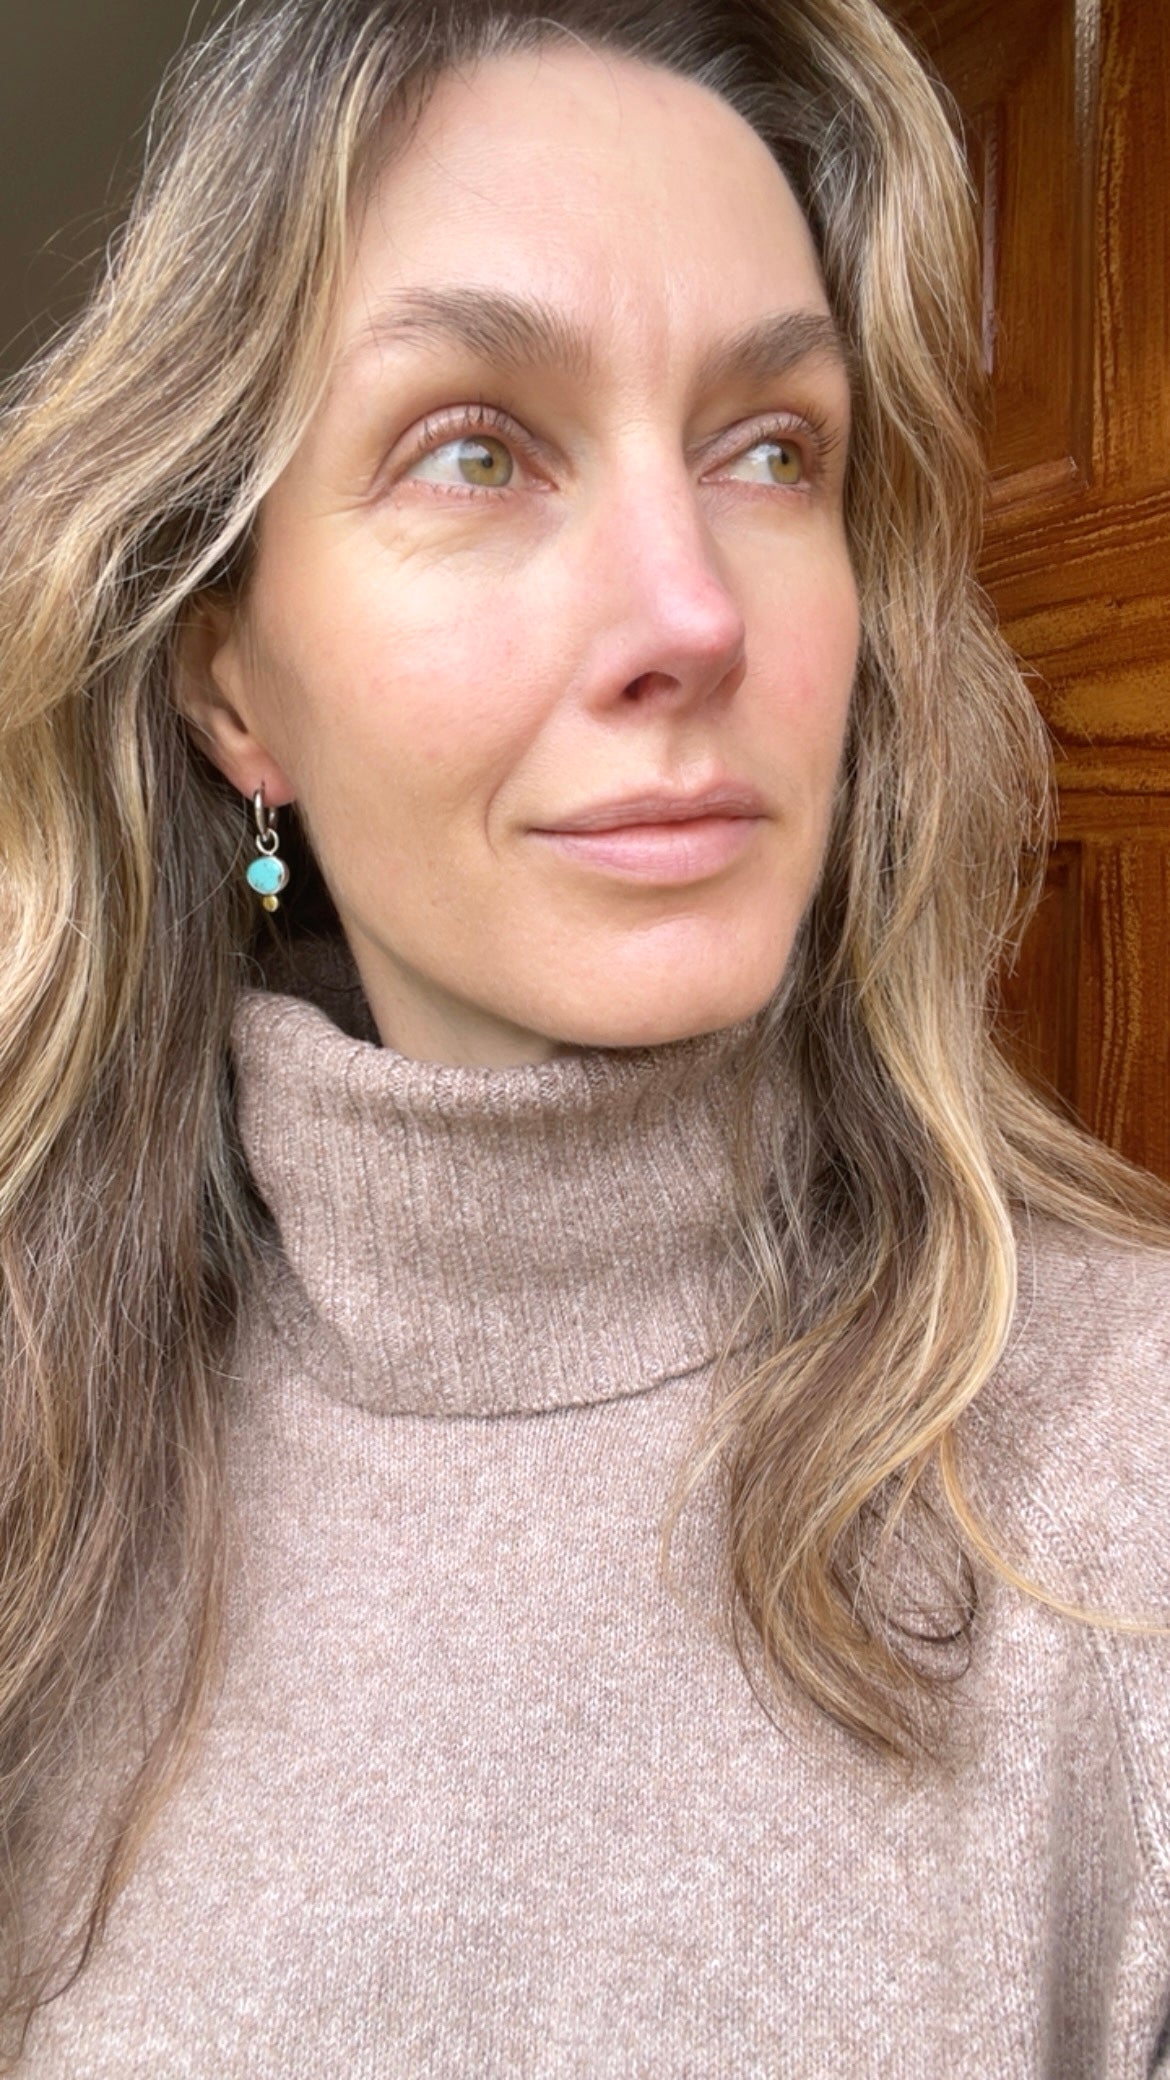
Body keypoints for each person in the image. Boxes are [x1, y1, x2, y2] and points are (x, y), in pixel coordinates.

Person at [0, 0, 1167, 2071]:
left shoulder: (1121, 1476)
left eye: (772, 449)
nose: (695, 612)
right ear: (232, 684)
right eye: (477, 446)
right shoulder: (45, 1453)